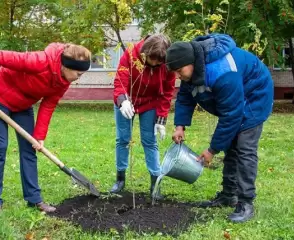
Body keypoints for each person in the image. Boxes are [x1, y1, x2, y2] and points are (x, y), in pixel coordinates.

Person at [166, 33, 273, 223]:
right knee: (232, 145)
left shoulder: (223, 72)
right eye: (174, 72)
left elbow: (231, 116)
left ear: (191, 62)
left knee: (244, 149)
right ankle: (228, 195)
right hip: (236, 98)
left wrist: (212, 150)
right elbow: (184, 97)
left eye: (179, 70)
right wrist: (179, 126)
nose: (177, 76)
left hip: (255, 96)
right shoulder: (190, 69)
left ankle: (246, 202)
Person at [0, 43, 91, 213]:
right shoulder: (39, 61)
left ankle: (34, 199)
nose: (79, 77)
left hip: (22, 105)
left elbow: (49, 104)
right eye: (79, 73)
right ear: (66, 66)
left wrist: (40, 136)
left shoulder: (63, 81)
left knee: (30, 149)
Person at [111, 34, 176, 199]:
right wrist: (122, 100)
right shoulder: (131, 53)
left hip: (150, 103)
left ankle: (155, 183)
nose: (154, 64)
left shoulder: (168, 63)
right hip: (128, 101)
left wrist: (161, 120)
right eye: (151, 59)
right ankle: (120, 179)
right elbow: (120, 80)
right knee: (123, 139)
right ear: (145, 52)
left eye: (158, 62)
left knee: (150, 140)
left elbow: (167, 93)